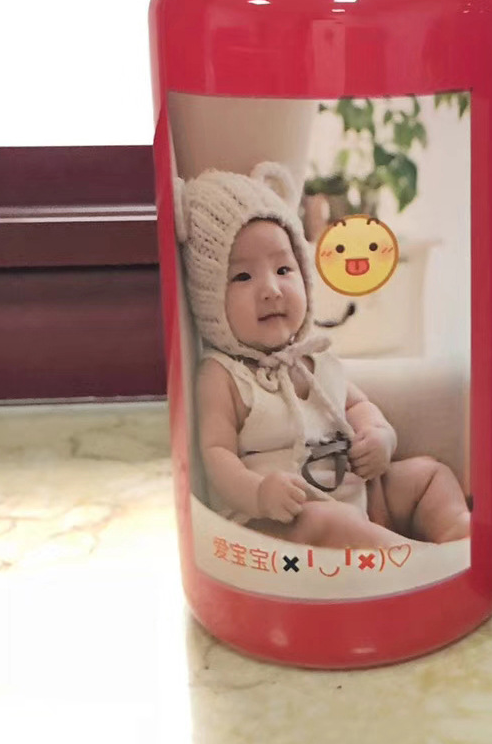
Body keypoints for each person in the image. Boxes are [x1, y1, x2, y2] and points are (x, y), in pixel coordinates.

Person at [176, 162, 470, 550]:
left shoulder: (315, 358)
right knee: (327, 520)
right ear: (210, 298)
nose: (272, 289)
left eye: (284, 269)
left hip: (358, 496)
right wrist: (259, 493)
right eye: (243, 276)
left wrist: (380, 436)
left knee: (427, 475)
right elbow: (216, 455)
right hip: (284, 522)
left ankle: (459, 536)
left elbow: (358, 405)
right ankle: (413, 559)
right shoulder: (224, 376)